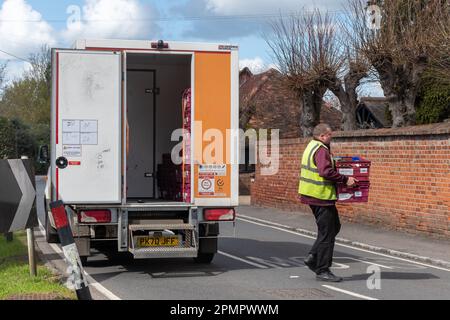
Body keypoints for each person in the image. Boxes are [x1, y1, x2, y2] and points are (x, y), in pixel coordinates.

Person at [299, 123, 357, 282]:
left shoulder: (312, 145)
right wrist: (345, 179)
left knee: (334, 227)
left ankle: (313, 257)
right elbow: (325, 171)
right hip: (320, 196)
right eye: (330, 135)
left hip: (314, 195)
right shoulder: (321, 149)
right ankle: (322, 270)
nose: (332, 137)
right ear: (322, 136)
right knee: (327, 234)